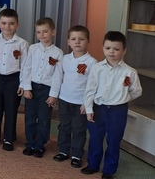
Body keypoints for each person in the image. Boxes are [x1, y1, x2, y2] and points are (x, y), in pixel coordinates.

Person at [81, 31, 142, 179]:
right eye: (108, 48)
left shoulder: (130, 72)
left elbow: (137, 91)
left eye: (116, 49)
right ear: (103, 48)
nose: (112, 52)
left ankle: (109, 170)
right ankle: (93, 164)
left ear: (124, 50)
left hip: (118, 111)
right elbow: (90, 90)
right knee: (95, 138)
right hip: (98, 108)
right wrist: (88, 109)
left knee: (114, 140)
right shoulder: (97, 68)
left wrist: (123, 98)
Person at [53, 25, 97, 168]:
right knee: (64, 126)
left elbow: (92, 85)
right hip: (64, 99)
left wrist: (87, 103)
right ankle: (63, 150)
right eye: (73, 39)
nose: (77, 42)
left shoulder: (92, 62)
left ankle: (77, 155)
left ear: (88, 41)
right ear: (68, 42)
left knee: (79, 129)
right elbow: (58, 78)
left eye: (81, 39)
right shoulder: (65, 59)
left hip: (80, 103)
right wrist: (55, 95)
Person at [0, 8, 29, 151]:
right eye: (4, 23)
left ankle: (8, 138)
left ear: (17, 25)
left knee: (11, 109)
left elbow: (25, 65)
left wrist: (23, 84)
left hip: (13, 79)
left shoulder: (22, 43)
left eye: (11, 23)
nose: (7, 27)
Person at [21, 17, 63, 158]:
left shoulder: (58, 53)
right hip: (32, 87)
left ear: (53, 32)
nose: (42, 35)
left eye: (45, 31)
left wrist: (53, 94)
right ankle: (30, 143)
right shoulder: (32, 49)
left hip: (47, 89)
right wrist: (26, 87)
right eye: (38, 32)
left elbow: (58, 75)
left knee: (44, 119)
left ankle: (40, 145)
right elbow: (26, 68)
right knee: (30, 117)